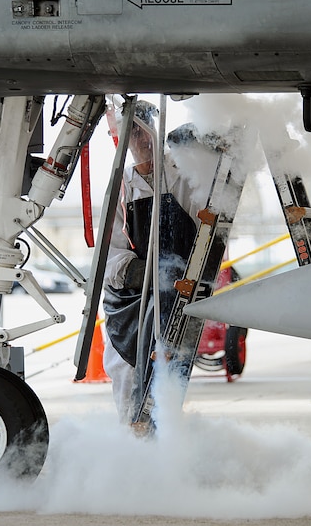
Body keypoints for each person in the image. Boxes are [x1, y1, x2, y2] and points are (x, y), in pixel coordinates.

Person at [102, 101, 200, 424]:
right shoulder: (119, 186)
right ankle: (131, 439)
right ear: (123, 139)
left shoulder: (182, 177)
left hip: (173, 292)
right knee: (126, 370)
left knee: (170, 370)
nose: (142, 142)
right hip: (130, 298)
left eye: (146, 133)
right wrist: (139, 272)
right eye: (134, 134)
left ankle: (163, 440)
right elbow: (110, 251)